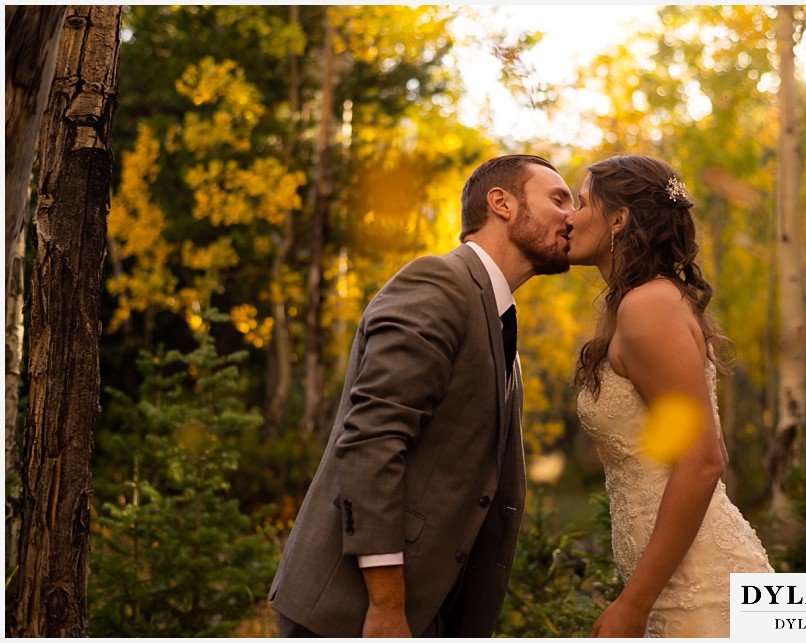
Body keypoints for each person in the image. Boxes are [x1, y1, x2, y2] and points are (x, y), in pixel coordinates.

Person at [269, 154, 574, 637]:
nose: (571, 216)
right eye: (558, 199)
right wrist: (387, 605)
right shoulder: (437, 284)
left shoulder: (501, 331)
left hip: (427, 612)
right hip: (352, 614)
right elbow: (372, 441)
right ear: (502, 203)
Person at [566, 155, 773, 638]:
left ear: (619, 219)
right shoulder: (639, 303)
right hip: (671, 588)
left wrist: (632, 605)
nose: (569, 218)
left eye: (580, 202)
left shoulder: (649, 307)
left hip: (700, 592)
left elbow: (703, 458)